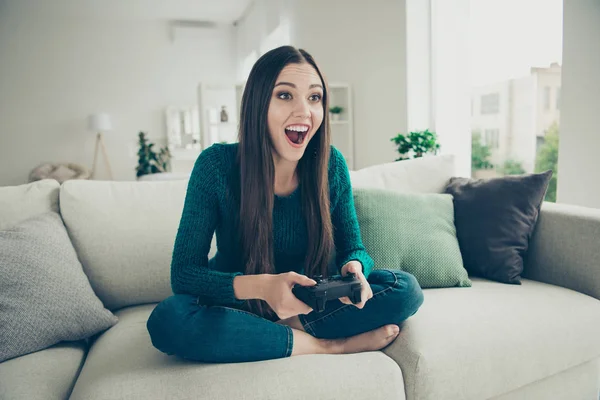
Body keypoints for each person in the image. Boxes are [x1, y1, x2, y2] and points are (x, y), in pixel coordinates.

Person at [146, 45, 424, 363]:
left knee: (405, 288)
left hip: (308, 303)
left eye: (314, 97)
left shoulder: (331, 164)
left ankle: (281, 332)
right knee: (168, 319)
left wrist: (355, 270)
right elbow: (184, 274)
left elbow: (353, 248)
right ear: (257, 103)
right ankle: (326, 345)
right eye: (285, 95)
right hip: (238, 303)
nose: (304, 111)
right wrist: (264, 287)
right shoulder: (215, 166)